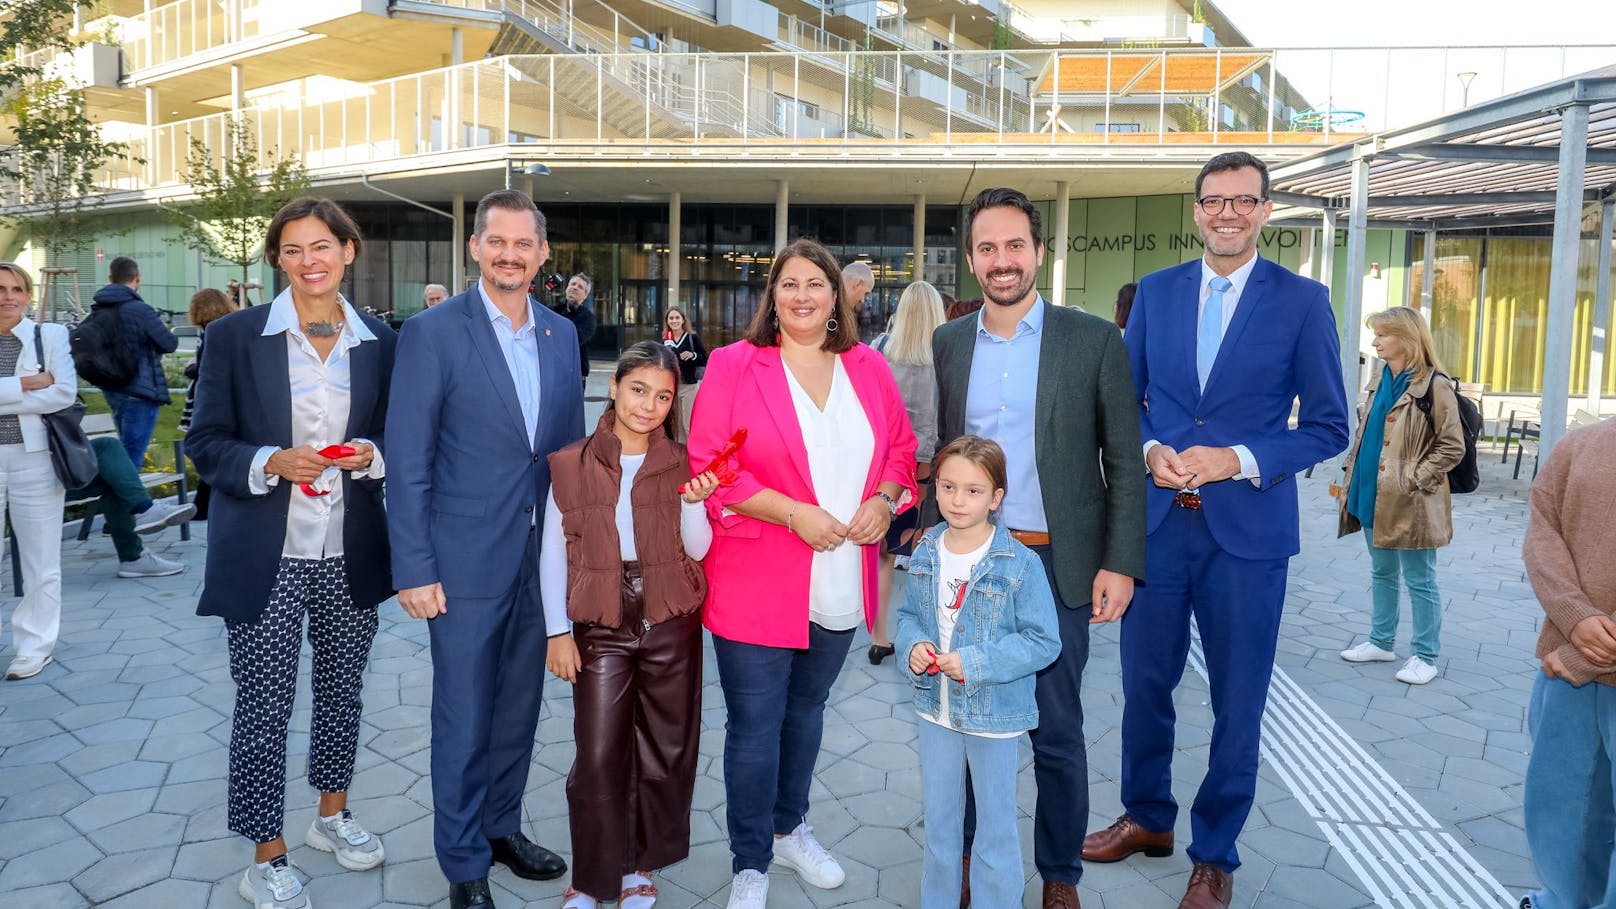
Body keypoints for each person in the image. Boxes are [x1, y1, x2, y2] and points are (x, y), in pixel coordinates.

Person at [1088, 151, 1350, 909]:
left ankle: (1215, 851)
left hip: (1248, 537)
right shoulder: (1158, 294)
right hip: (1158, 527)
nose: (1227, 213)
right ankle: (1146, 817)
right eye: (1214, 201)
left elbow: (1329, 425)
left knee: (1240, 699)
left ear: (1266, 210)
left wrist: (1236, 457)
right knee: (1143, 685)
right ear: (1196, 210)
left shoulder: (1303, 302)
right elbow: (1124, 402)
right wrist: (1146, 449)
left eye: (1243, 200)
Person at [688, 237, 918, 909]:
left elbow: (901, 451)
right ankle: (750, 862)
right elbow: (713, 463)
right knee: (755, 726)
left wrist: (884, 499)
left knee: (807, 711)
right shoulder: (736, 365)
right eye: (788, 283)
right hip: (758, 577)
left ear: (836, 295)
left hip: (843, 576)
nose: (802, 295)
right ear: (773, 295)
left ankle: (790, 827)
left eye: (814, 283)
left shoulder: (867, 368)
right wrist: (794, 513)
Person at [932, 187, 1144, 909]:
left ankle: (1059, 874)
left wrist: (1118, 561)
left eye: (1014, 245)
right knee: (962, 721)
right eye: (987, 247)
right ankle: (963, 861)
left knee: (1055, 730)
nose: (1001, 261)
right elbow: (943, 450)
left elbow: (1122, 457)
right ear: (971, 259)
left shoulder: (1093, 340)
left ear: (1040, 252)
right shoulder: (950, 342)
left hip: (1055, 564)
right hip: (971, 560)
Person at [186, 197, 397, 909]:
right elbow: (204, 443)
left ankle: (331, 816)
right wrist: (272, 460)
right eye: (294, 249)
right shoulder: (237, 337)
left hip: (351, 549)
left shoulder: (381, 341)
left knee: (342, 693)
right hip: (265, 555)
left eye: (323, 247)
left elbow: (401, 436)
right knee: (265, 705)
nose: (310, 261)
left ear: (349, 250)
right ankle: (265, 853)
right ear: (277, 258)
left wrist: (373, 455)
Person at [387, 189, 583, 909]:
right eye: (496, 242)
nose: (509, 255)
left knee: (517, 709)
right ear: (475, 247)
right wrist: (413, 567)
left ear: (541, 253)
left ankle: (500, 827)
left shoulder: (561, 335)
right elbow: (408, 457)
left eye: (523, 244)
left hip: (541, 563)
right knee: (464, 715)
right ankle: (464, 858)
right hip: (461, 564)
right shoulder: (434, 333)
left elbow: (566, 455)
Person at [541, 341, 721, 909]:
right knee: (597, 754)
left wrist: (696, 503)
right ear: (614, 387)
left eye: (663, 396)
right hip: (603, 620)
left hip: (671, 617)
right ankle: (592, 877)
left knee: (665, 749)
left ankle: (636, 869)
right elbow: (551, 551)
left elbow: (698, 547)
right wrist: (556, 632)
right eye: (638, 389)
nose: (648, 405)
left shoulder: (686, 461)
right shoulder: (571, 462)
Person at [897, 434, 1060, 909]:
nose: (958, 500)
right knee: (940, 825)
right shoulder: (927, 551)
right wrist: (913, 648)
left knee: (995, 830)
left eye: (973, 490)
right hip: (935, 710)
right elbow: (908, 618)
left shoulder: (1021, 564)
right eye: (948, 487)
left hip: (995, 716)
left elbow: (1043, 641)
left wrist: (975, 662)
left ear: (997, 498)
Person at [1336, 306, 1465, 686]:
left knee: (1420, 580)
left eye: (1382, 335)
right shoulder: (1380, 379)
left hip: (1410, 499)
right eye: (1375, 333)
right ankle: (1381, 641)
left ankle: (1425, 655)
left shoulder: (1433, 385)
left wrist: (1414, 478)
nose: (1374, 341)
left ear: (1407, 339)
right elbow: (1369, 432)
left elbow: (1451, 446)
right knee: (1381, 571)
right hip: (1371, 492)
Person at [1520, 416, 1616, 909]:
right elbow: (1543, 531)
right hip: (1564, 671)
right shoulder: (1580, 442)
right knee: (1561, 800)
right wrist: (1572, 614)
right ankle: (1560, 900)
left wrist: (1582, 652)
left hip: (1568, 662)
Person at [0, 262, 76, 681]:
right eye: (0, 288)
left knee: (40, 561)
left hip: (36, 460)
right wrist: (26, 385)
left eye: (16, 289)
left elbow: (63, 393)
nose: (8, 296)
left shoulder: (51, 336)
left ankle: (34, 647)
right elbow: (44, 391)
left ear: (28, 295)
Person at [869, 280, 943, 666]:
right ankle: (926, 638)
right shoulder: (946, 352)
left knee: (883, 553)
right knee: (928, 552)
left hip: (887, 469)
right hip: (931, 469)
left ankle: (880, 636)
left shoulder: (880, 349)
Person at [90, 255, 179, 468]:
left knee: (125, 450)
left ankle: (120, 497)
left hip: (113, 388)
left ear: (110, 279)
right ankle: (127, 501)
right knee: (132, 456)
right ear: (137, 278)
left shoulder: (98, 309)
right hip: (140, 390)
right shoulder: (141, 310)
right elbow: (168, 343)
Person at [71, 435, 194, 578]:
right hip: (43, 481)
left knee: (114, 478)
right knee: (106, 445)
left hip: (55, 472)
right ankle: (145, 510)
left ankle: (133, 560)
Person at [180, 287, 238, 520]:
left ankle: (202, 505)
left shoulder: (212, 332)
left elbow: (207, 368)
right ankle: (203, 503)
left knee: (206, 446)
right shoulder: (227, 328)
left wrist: (191, 369)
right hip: (213, 396)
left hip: (205, 397)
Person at [661, 306, 705, 442]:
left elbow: (705, 357)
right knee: (676, 425)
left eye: (677, 318)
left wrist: (693, 355)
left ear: (683, 320)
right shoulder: (665, 340)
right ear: (667, 321)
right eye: (671, 318)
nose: (674, 321)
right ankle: (680, 455)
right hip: (672, 388)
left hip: (689, 387)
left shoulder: (692, 338)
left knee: (688, 425)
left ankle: (693, 454)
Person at [556, 273, 598, 391]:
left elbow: (573, 340)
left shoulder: (588, 319)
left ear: (585, 295)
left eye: (580, 287)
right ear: (566, 288)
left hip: (574, 377)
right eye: (573, 284)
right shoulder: (552, 311)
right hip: (551, 373)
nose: (575, 287)